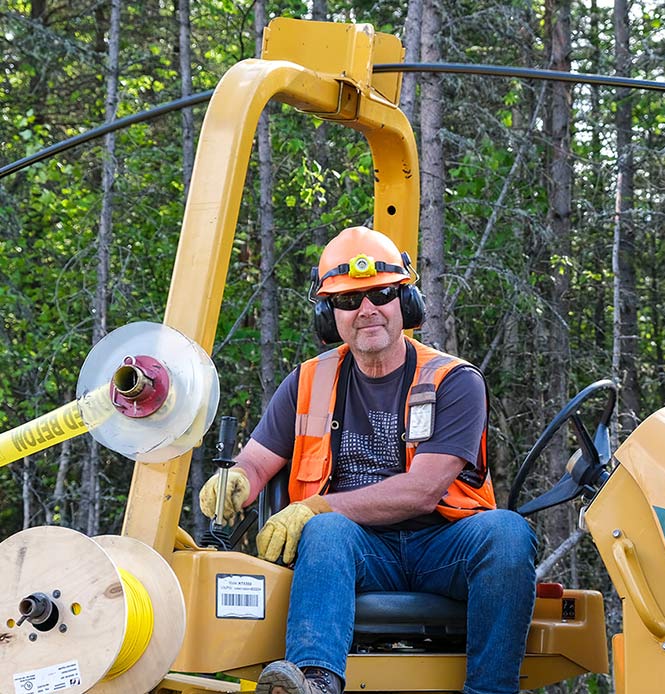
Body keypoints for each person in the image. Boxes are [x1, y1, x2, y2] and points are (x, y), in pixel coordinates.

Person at [199, 225, 537, 694]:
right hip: (356, 553)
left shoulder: (454, 381)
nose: (367, 310)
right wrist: (237, 479)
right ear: (328, 315)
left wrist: (317, 505)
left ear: (407, 303)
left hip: (443, 547)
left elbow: (422, 492)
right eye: (348, 301)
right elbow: (257, 463)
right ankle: (313, 682)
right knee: (327, 531)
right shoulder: (308, 382)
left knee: (507, 532)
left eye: (381, 293)